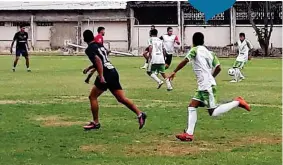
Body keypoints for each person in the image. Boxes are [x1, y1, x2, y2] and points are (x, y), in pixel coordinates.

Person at [168, 32, 251, 142]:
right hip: (204, 85)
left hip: (206, 86)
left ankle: (237, 102)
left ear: (193, 42)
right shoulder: (210, 53)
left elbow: (185, 61)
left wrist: (174, 71)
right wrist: (211, 77)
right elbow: (218, 67)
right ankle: (189, 134)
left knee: (213, 112)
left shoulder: (194, 50)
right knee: (192, 105)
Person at [82, 29, 147, 130]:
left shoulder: (89, 49)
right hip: (112, 71)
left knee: (92, 97)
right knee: (121, 98)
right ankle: (140, 114)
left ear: (84, 39)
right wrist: (89, 68)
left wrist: (101, 75)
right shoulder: (99, 45)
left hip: (106, 74)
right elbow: (103, 57)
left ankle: (96, 122)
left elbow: (98, 61)